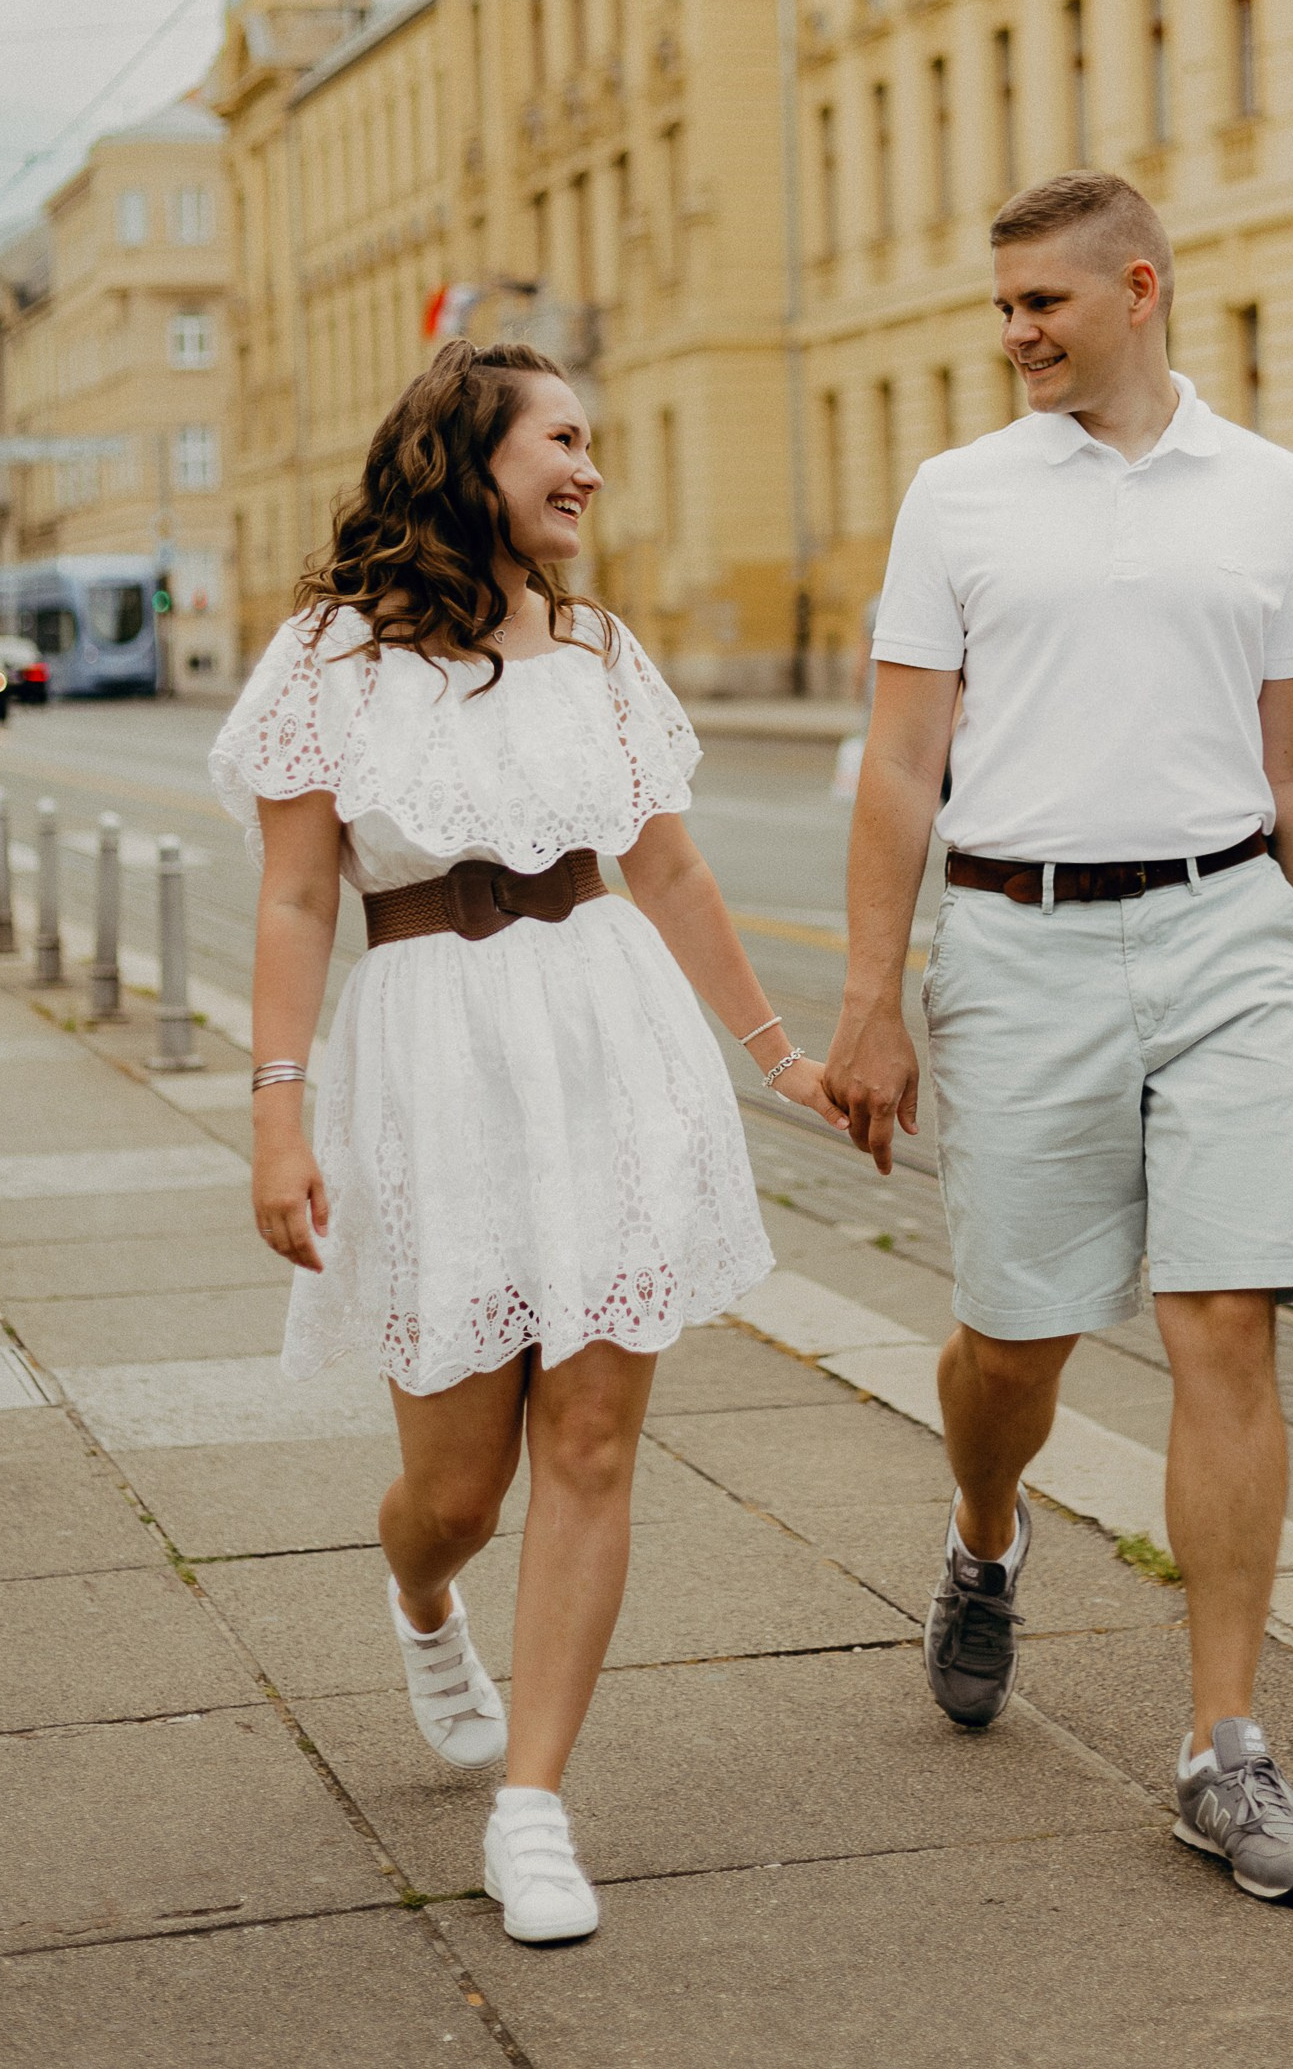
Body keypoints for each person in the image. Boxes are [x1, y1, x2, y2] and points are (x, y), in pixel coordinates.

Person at [210, 341, 841, 1946]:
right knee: (460, 1487)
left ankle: (535, 1808)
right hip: (429, 1058)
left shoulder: (603, 653)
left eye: (593, 442)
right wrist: (276, 1111)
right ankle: (423, 1595)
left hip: (607, 1038)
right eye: (564, 440)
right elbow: (295, 896)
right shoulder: (333, 659)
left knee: (595, 1440)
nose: (591, 470)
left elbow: (676, 877)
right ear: (467, 459)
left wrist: (783, 1060)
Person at [824, 171, 1293, 1908]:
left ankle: (1223, 1749)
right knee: (1016, 1350)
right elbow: (904, 765)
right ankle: (986, 1536)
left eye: (1040, 304)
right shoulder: (958, 495)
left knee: (1225, 1325)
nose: (1015, 335)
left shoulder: (1273, 493)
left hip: (1225, 932)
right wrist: (869, 1003)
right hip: (1019, 935)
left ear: (1138, 288)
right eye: (1001, 308)